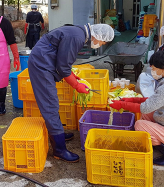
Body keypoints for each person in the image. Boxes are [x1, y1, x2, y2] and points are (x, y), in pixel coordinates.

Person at [28, 23, 114, 162]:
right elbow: (63, 67)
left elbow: (63, 60)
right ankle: (59, 150)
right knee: (50, 105)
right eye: (103, 41)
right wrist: (75, 84)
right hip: (41, 65)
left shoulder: (79, 32)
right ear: (98, 36)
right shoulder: (77, 37)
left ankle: (58, 134)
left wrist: (73, 77)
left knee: (52, 103)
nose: (102, 44)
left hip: (45, 60)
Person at [110, 51, 164, 166]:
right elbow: (154, 101)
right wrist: (132, 100)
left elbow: (145, 107)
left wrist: (122, 105)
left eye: (154, 68)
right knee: (147, 115)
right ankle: (157, 140)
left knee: (140, 125)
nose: (152, 71)